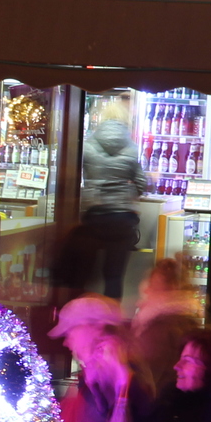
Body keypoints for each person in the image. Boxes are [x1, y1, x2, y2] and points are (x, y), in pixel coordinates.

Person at [57, 118, 146, 301]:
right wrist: (128, 195)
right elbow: (141, 183)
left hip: (94, 216)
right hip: (122, 219)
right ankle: (111, 313)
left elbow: (73, 177)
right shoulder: (132, 148)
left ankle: (76, 310)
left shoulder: (88, 146)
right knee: (114, 275)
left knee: (82, 271)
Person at [130, 257, 200, 393]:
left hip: (160, 398)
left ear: (171, 288)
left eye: (153, 285)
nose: (146, 290)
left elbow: (149, 374)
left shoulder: (160, 326)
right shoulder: (184, 318)